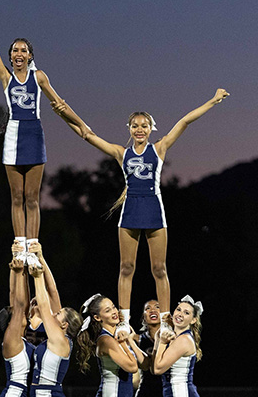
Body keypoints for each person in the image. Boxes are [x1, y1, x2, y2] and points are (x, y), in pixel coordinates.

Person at [53, 89, 229, 338]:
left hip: (154, 211)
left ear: (150, 129)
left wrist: (212, 101)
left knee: (159, 269)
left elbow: (185, 121)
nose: (139, 129)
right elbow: (86, 133)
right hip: (130, 212)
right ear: (129, 129)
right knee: (126, 267)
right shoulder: (120, 153)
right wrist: (64, 113)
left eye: (144, 125)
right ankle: (124, 321)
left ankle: (167, 324)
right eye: (135, 125)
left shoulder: (159, 149)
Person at [0, 7, 88, 265]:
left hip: (34, 135)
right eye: (15, 51)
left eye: (23, 50)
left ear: (30, 56)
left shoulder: (39, 77)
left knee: (33, 197)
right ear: (10, 57)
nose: (18, 54)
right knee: (16, 196)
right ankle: (19, 243)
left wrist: (81, 125)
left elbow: (59, 103)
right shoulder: (6, 78)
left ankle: (33, 246)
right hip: (13, 136)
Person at [27, 242, 83, 397]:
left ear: (64, 324)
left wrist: (38, 277)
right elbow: (53, 290)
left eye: (58, 314)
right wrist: (41, 258)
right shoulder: (57, 337)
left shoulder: (60, 339)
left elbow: (45, 306)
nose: (54, 314)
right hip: (37, 392)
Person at [0, 243, 32, 397]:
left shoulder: (16, 336)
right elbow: (19, 303)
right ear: (11, 323)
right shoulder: (11, 338)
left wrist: (15, 258)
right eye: (18, 314)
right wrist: (18, 272)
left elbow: (13, 293)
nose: (24, 314)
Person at [77, 294, 147, 397]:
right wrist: (123, 343)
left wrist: (130, 340)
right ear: (97, 317)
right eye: (107, 310)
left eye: (113, 307)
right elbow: (132, 367)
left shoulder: (116, 335)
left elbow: (145, 365)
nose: (114, 311)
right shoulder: (106, 340)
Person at [153, 295, 203, 397]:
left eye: (186, 313)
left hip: (181, 392)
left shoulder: (184, 340)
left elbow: (158, 370)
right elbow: (153, 368)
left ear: (193, 320)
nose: (180, 314)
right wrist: (157, 341)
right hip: (172, 391)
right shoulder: (174, 337)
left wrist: (162, 343)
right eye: (178, 309)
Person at [134, 300, 162, 397]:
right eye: (148, 308)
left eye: (157, 307)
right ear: (143, 317)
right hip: (145, 391)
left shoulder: (173, 339)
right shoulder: (137, 339)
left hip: (168, 391)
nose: (152, 310)